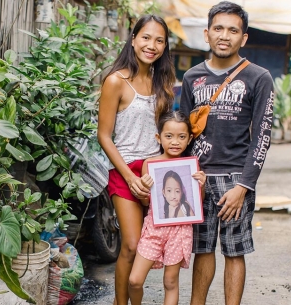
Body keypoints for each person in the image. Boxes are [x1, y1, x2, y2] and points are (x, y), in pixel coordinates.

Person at [179, 2, 274, 305]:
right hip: (199, 177)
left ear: (243, 38)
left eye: (233, 30)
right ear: (206, 34)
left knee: (235, 250)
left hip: (235, 178)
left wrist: (244, 186)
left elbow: (262, 136)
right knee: (203, 249)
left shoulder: (258, 77)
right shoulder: (192, 77)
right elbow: (182, 133)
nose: (225, 35)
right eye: (218, 28)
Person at [97, 14, 176, 305]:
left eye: (159, 40)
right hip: (125, 170)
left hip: (155, 171)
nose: (151, 45)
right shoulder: (116, 81)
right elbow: (104, 136)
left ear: (165, 46)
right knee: (130, 245)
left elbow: (166, 132)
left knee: (161, 246)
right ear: (133, 39)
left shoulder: (162, 82)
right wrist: (129, 177)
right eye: (146, 37)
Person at [128, 111, 206, 305]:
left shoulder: (191, 167)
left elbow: (196, 204)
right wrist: (144, 190)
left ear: (189, 139)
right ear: (159, 137)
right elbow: (147, 203)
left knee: (170, 281)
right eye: (169, 136)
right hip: (154, 229)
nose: (175, 142)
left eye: (181, 136)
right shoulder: (150, 164)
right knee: (135, 280)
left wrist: (201, 185)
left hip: (180, 231)